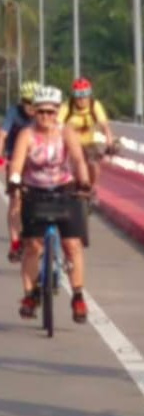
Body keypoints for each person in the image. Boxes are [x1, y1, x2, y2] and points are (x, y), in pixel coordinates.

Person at [6, 85, 91, 322]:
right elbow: (17, 162)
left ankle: (78, 296)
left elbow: (78, 159)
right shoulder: (26, 134)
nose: (46, 117)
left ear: (57, 112)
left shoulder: (66, 133)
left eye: (51, 112)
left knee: (72, 245)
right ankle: (30, 295)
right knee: (33, 246)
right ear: (34, 111)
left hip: (64, 190)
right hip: (35, 191)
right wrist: (14, 181)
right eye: (41, 111)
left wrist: (84, 182)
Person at [1, 80, 40, 263]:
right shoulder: (13, 112)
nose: (31, 107)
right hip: (14, 160)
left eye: (34, 102)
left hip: (36, 161)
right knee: (15, 201)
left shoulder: (43, 115)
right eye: (27, 102)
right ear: (21, 101)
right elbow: (2, 135)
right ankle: (15, 244)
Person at [58, 78, 115, 193]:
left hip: (89, 141)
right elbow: (58, 124)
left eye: (85, 95)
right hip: (71, 144)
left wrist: (109, 139)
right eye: (78, 95)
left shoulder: (94, 105)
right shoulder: (67, 107)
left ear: (89, 95)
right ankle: (76, 185)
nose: (81, 99)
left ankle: (92, 187)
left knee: (93, 163)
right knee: (74, 165)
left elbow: (104, 124)